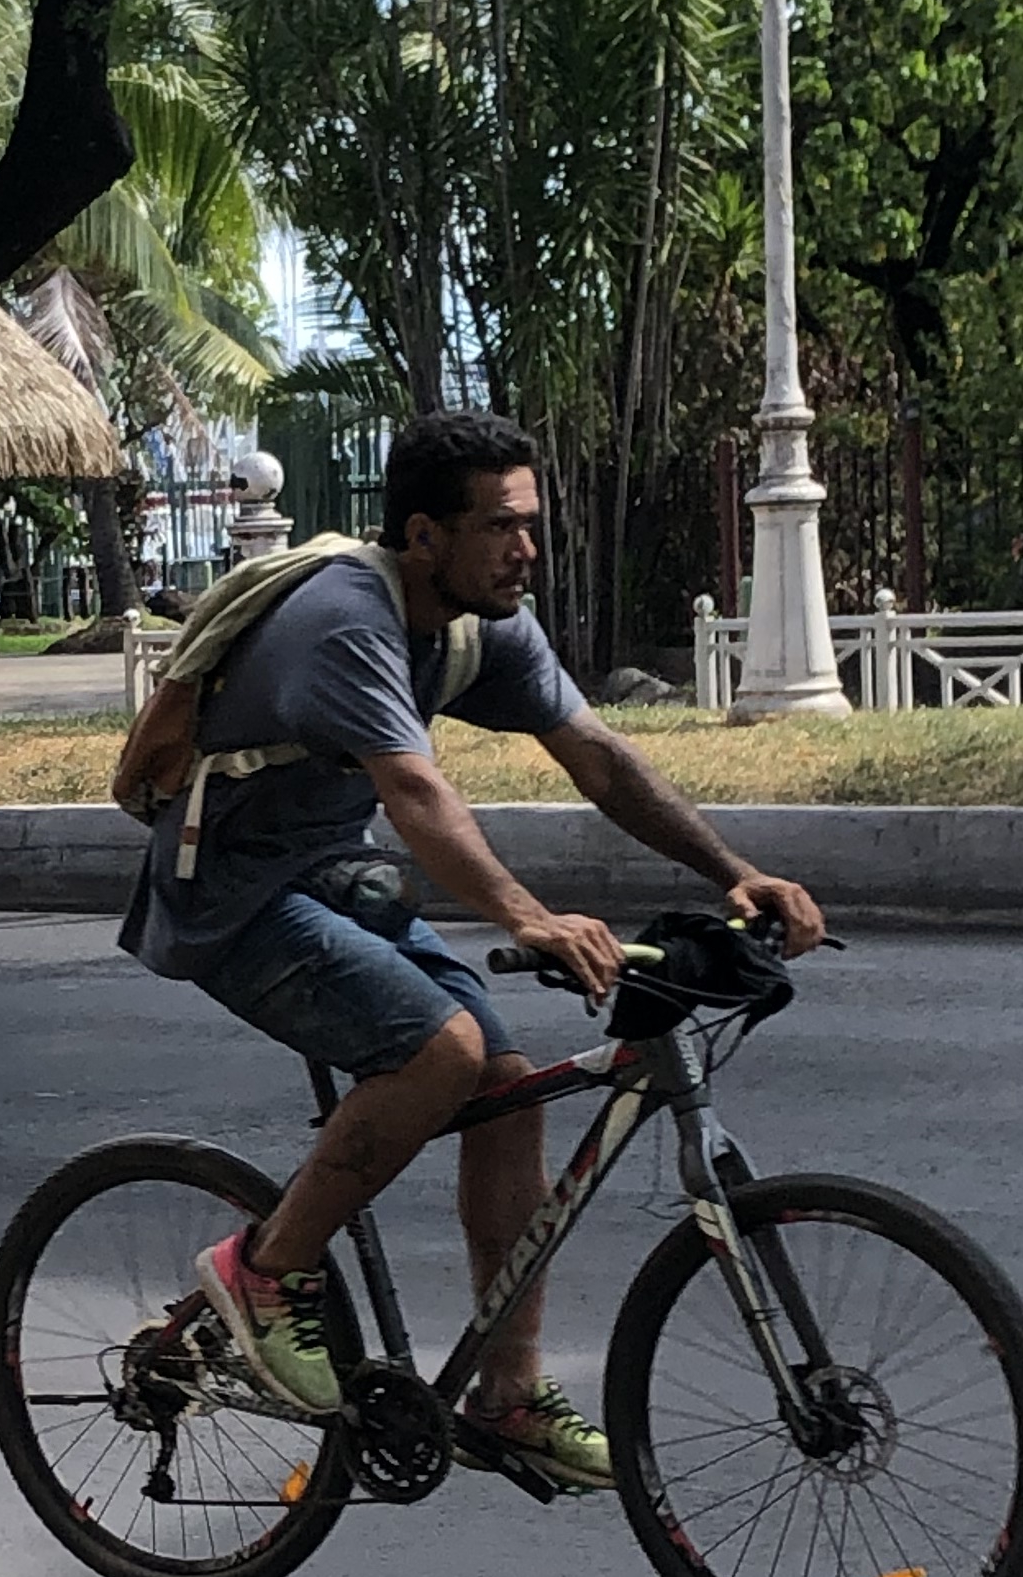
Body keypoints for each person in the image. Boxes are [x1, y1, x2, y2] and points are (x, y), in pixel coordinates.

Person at [120, 407, 826, 1490]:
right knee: (439, 1053)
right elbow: (416, 792)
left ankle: (509, 1400)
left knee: (508, 1084)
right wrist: (523, 914)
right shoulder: (345, 617)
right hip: (229, 892)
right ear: (422, 536)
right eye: (502, 527)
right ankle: (263, 1273)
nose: (527, 549)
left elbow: (598, 756)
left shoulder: (478, 623)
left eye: (529, 524)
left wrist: (732, 872)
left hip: (332, 878)